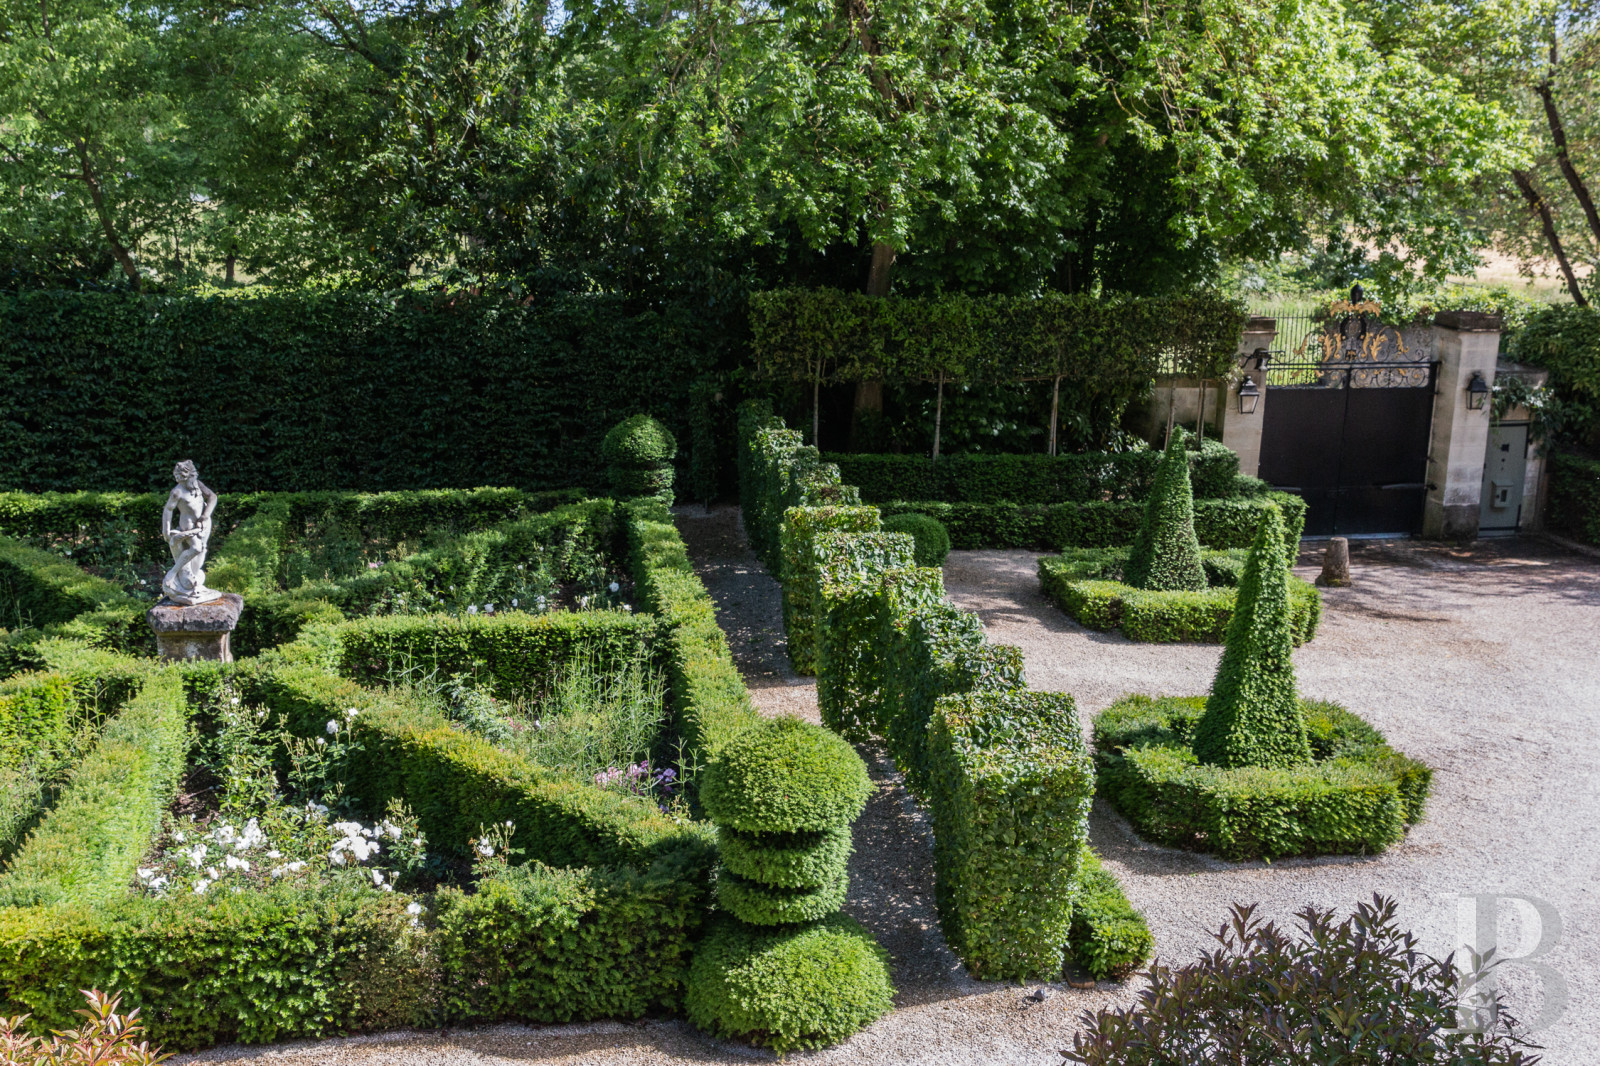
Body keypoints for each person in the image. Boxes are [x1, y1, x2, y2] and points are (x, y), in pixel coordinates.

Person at [160, 460, 222, 605]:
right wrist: (166, 530)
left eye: (181, 475)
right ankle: (173, 574)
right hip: (188, 528)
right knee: (196, 548)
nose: (178, 478)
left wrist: (205, 515)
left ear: (190, 474)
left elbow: (213, 497)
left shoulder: (198, 485)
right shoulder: (177, 492)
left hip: (203, 525)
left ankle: (191, 583)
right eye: (176, 475)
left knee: (201, 554)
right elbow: (168, 510)